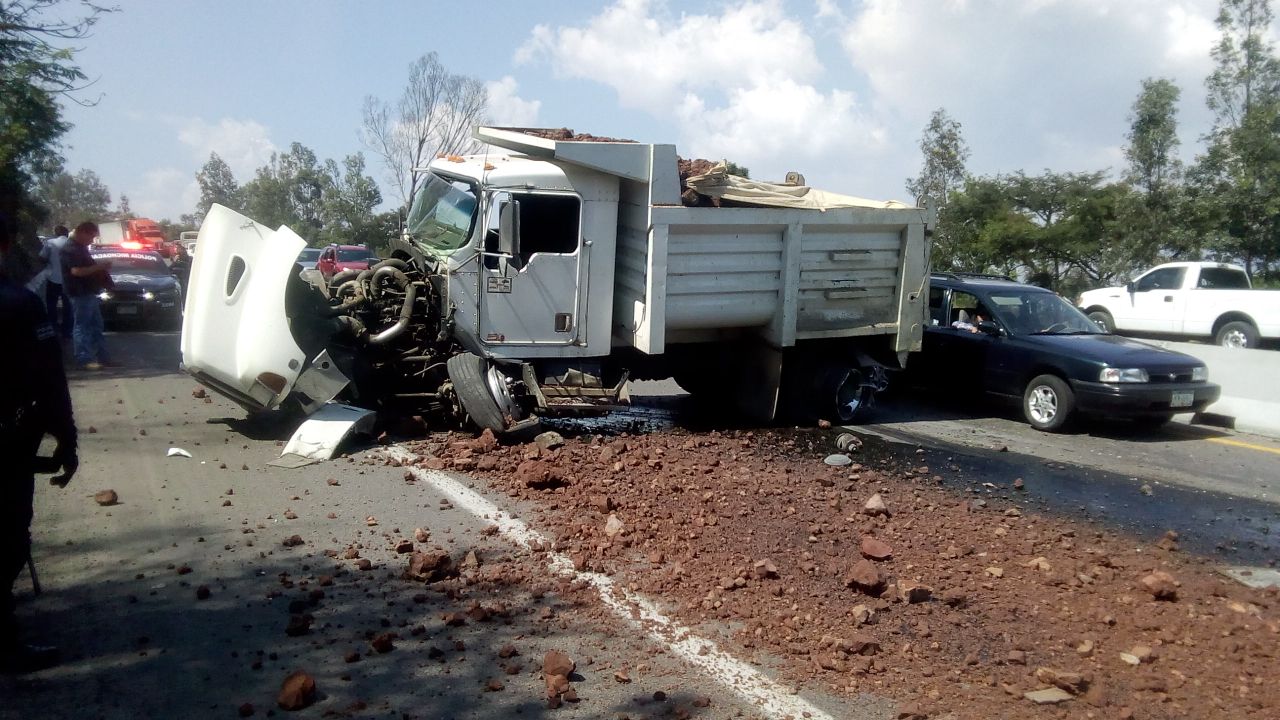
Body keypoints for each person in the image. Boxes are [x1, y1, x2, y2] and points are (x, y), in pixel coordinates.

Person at [0, 211, 78, 673]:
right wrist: (65, 440)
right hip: (9, 444)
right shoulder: (19, 304)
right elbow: (49, 380)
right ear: (8, 245)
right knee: (7, 537)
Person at [60, 221, 114, 370]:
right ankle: (84, 359)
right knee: (82, 326)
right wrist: (100, 267)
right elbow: (76, 271)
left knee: (97, 325)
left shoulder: (81, 248)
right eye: (91, 237)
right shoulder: (70, 249)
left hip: (89, 292)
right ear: (82, 232)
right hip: (78, 293)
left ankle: (103, 357)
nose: (91, 241)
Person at [39, 226, 73, 338]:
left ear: (55, 233)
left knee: (51, 305)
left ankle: (53, 328)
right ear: (67, 233)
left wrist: (49, 261)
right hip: (68, 280)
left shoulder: (50, 243)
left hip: (53, 279)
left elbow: (42, 257)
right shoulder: (72, 243)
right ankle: (67, 330)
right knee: (68, 306)